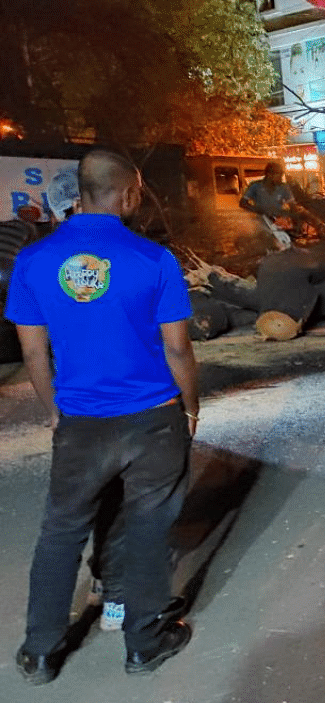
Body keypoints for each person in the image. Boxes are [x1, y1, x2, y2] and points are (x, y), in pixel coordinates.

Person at [5, 148, 198, 684]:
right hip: (153, 417)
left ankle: (40, 651)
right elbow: (178, 350)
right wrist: (191, 406)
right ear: (128, 192)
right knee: (147, 523)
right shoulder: (154, 259)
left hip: (82, 420)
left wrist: (54, 413)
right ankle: (145, 642)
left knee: (61, 530)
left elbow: (34, 356)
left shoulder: (33, 261)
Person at [238, 161, 299, 248]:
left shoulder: (284, 187)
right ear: (269, 175)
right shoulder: (255, 186)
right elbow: (242, 203)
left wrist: (293, 219)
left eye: (282, 174)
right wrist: (257, 210)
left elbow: (293, 206)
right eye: (279, 175)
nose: (281, 177)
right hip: (261, 222)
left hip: (279, 222)